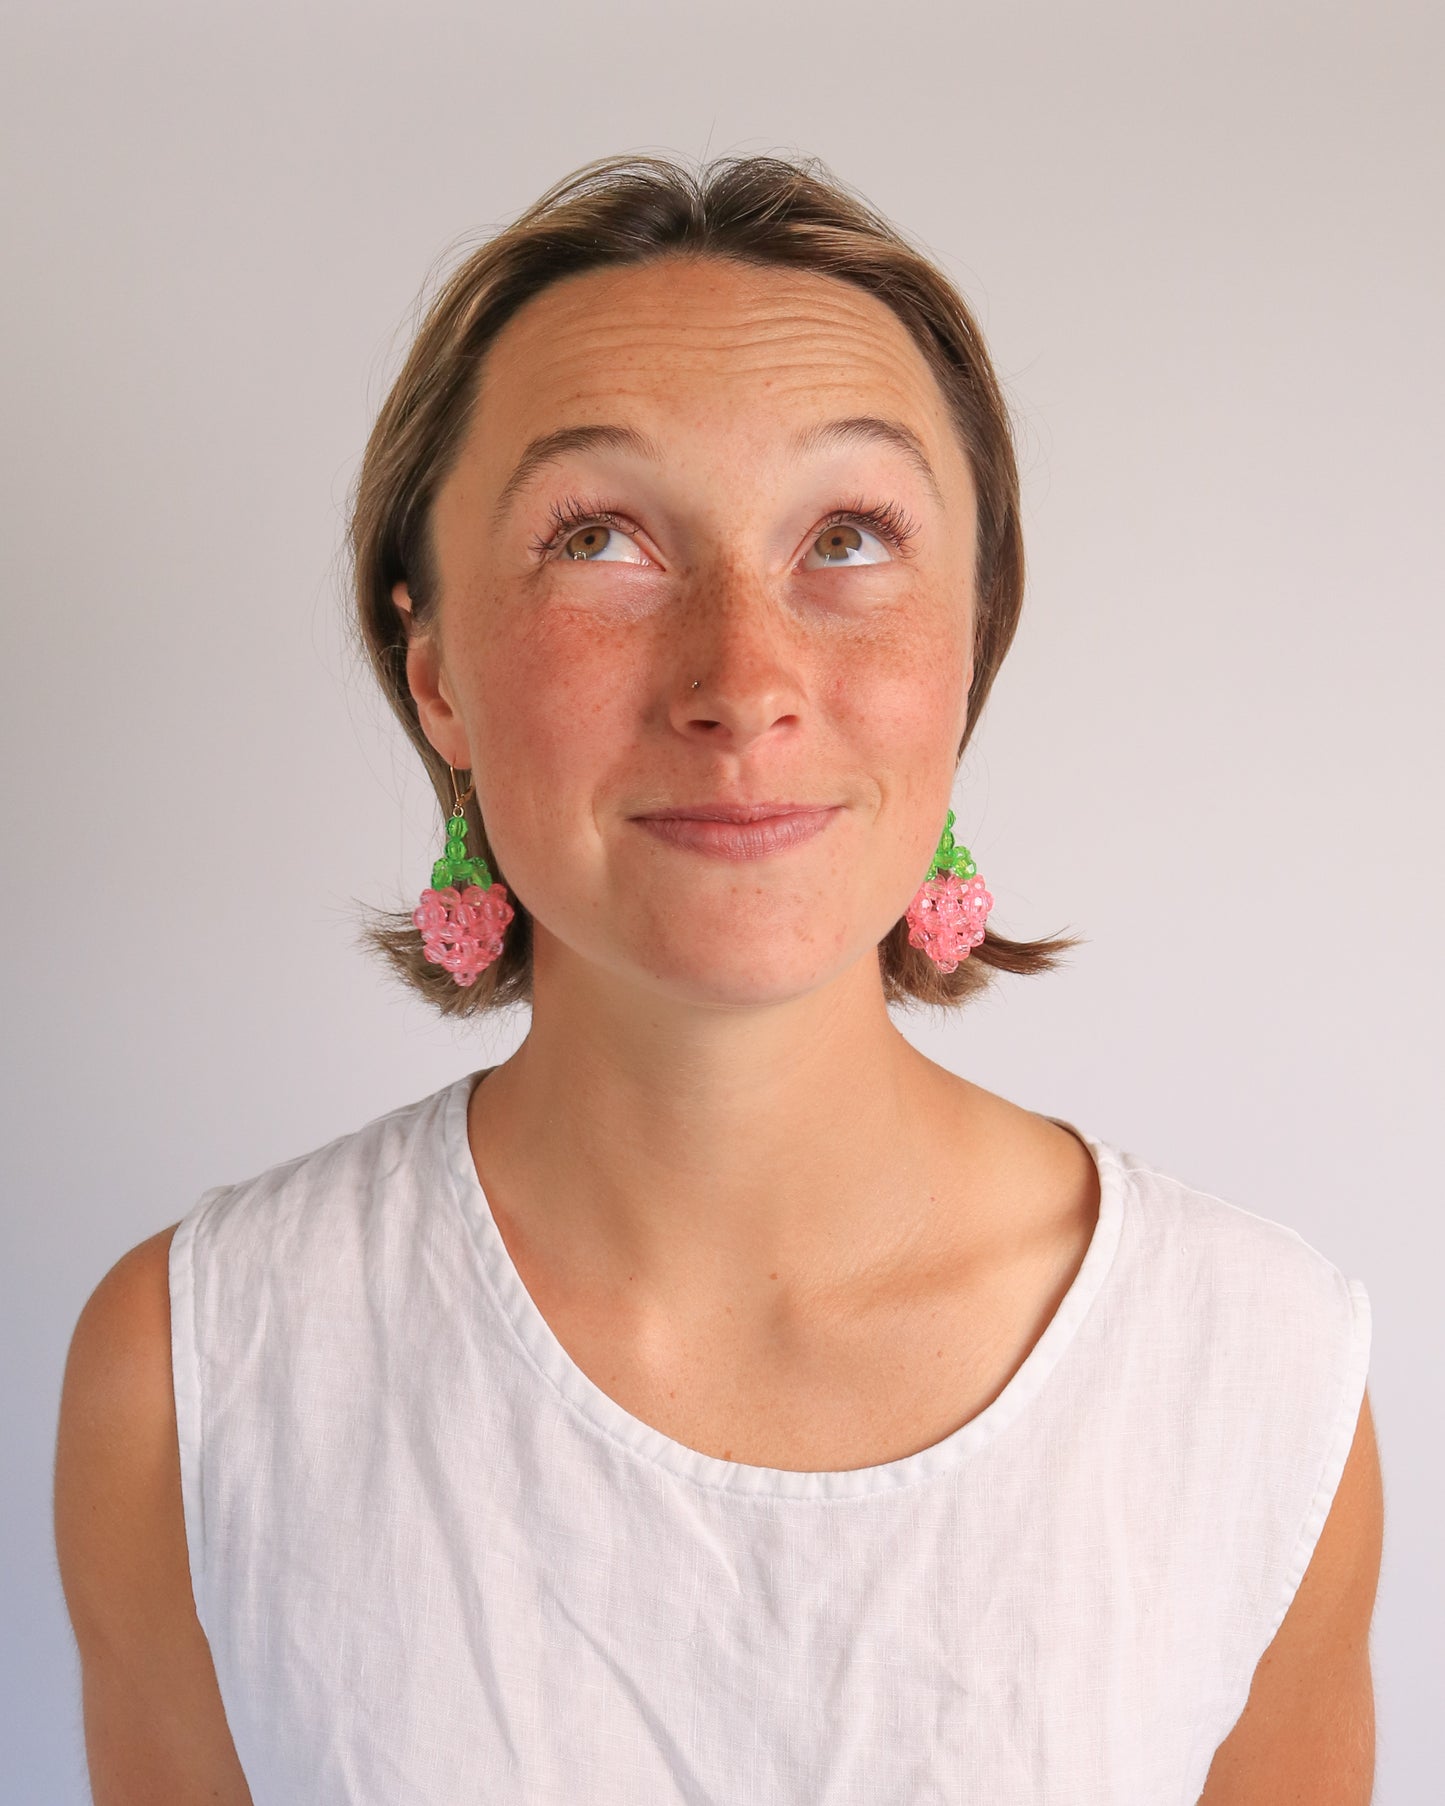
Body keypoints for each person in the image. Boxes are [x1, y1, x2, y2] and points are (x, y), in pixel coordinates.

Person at [53, 152, 1383, 1804]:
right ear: (437, 676)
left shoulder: (1254, 1376)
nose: (742, 679)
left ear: (967, 652)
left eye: (846, 535)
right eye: (600, 536)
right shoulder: (194, 1378)